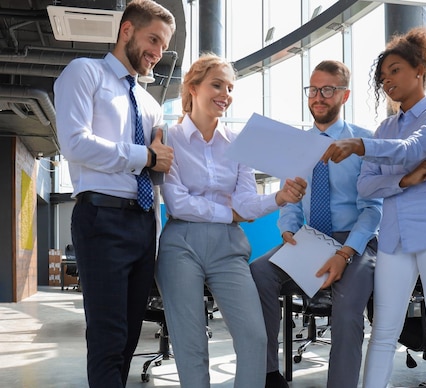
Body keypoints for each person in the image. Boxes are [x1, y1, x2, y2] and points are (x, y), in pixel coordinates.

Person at [322, 27, 426, 388]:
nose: (387, 81)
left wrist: (363, 147)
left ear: (419, 68)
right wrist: (404, 181)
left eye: (395, 70)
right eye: (382, 77)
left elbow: (413, 149)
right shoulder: (384, 127)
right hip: (393, 239)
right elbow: (366, 185)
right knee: (383, 331)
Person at [155, 53, 307, 387]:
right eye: (217, 85)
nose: (225, 94)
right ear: (193, 87)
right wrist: (229, 212)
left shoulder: (240, 143)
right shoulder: (169, 138)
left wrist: (279, 198)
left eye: (230, 87)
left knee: (254, 337)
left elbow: (247, 202)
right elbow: (178, 203)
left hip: (229, 245)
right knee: (190, 342)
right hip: (181, 243)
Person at [54, 1, 175, 386]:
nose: (157, 51)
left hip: (143, 224)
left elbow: (157, 170)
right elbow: (74, 144)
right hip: (101, 218)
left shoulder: (151, 104)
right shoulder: (84, 73)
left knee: (128, 337)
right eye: (152, 39)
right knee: (107, 335)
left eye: (163, 44)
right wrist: (146, 155)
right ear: (126, 31)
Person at [249, 60, 383, 388]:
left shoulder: (363, 143)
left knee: (348, 309)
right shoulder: (297, 144)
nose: (318, 97)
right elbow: (291, 202)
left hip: (356, 240)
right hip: (310, 239)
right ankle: (268, 374)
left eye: (327, 90)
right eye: (313, 90)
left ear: (344, 95)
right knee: (259, 272)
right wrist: (288, 232)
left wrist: (345, 252)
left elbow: (372, 210)